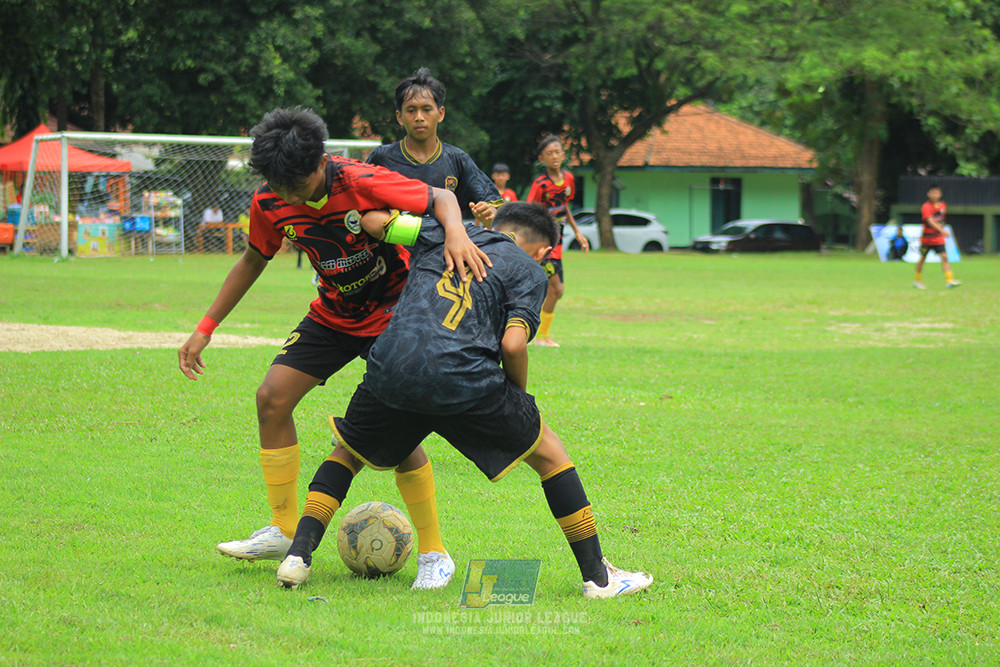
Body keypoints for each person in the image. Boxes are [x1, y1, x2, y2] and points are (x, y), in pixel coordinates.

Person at [177, 107, 492, 589]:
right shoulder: (269, 200)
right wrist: (206, 326)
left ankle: (434, 552)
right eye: (279, 186)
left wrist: (455, 233)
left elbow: (442, 198)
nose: (289, 196)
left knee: (395, 429)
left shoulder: (360, 179)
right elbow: (253, 259)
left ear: (321, 162)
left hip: (393, 313)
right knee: (271, 398)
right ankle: (283, 530)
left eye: (298, 186)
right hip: (333, 314)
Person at [275, 202, 653, 599]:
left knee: (348, 453)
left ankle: (298, 556)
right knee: (551, 456)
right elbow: (513, 344)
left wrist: (443, 223)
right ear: (544, 251)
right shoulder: (530, 270)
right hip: (465, 377)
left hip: (393, 364)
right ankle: (599, 579)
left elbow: (371, 221)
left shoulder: (442, 232)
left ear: (498, 224)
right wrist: (517, 399)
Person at [367, 67, 502, 227]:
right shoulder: (381, 158)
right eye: (411, 110)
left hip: (446, 242)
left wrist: (490, 213)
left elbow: (494, 204)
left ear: (441, 114)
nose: (419, 117)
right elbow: (357, 202)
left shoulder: (457, 159)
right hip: (395, 243)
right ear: (399, 117)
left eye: (426, 109)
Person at [526, 134, 590, 347]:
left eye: (557, 152)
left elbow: (565, 208)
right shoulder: (540, 184)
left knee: (553, 291)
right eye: (549, 153)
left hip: (558, 243)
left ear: (563, 155)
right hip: (544, 244)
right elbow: (529, 212)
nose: (554, 156)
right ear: (541, 159)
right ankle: (540, 336)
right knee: (556, 289)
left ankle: (539, 335)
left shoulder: (569, 179)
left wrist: (577, 232)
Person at [914, 185, 960, 289]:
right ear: (928, 194)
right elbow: (930, 221)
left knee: (944, 256)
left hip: (938, 238)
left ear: (940, 194)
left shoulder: (942, 205)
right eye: (932, 193)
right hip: (927, 237)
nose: (935, 195)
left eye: (937, 193)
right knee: (922, 258)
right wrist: (942, 230)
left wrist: (941, 228)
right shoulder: (926, 206)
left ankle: (949, 280)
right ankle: (917, 281)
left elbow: (941, 219)